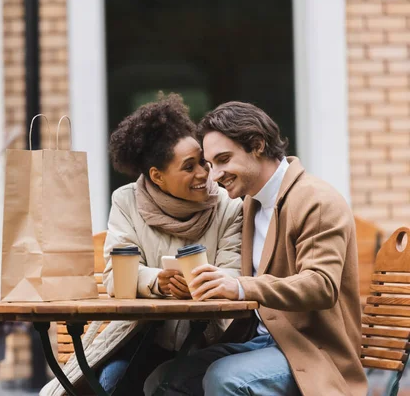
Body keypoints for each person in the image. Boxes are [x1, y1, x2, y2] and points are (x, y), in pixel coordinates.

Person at [144, 101, 367, 396]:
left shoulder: (316, 201)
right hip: (263, 340)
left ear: (257, 145)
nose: (214, 175)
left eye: (223, 159)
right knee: (163, 379)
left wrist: (240, 287)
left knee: (225, 378)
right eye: (211, 165)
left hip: (315, 352)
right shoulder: (250, 205)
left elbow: (321, 285)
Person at [40, 94, 243, 396]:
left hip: (209, 342)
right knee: (107, 385)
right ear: (157, 177)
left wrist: (201, 286)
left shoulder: (229, 205)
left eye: (203, 161)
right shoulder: (126, 202)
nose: (204, 174)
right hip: (141, 337)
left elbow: (233, 273)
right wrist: (158, 282)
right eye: (189, 167)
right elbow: (114, 275)